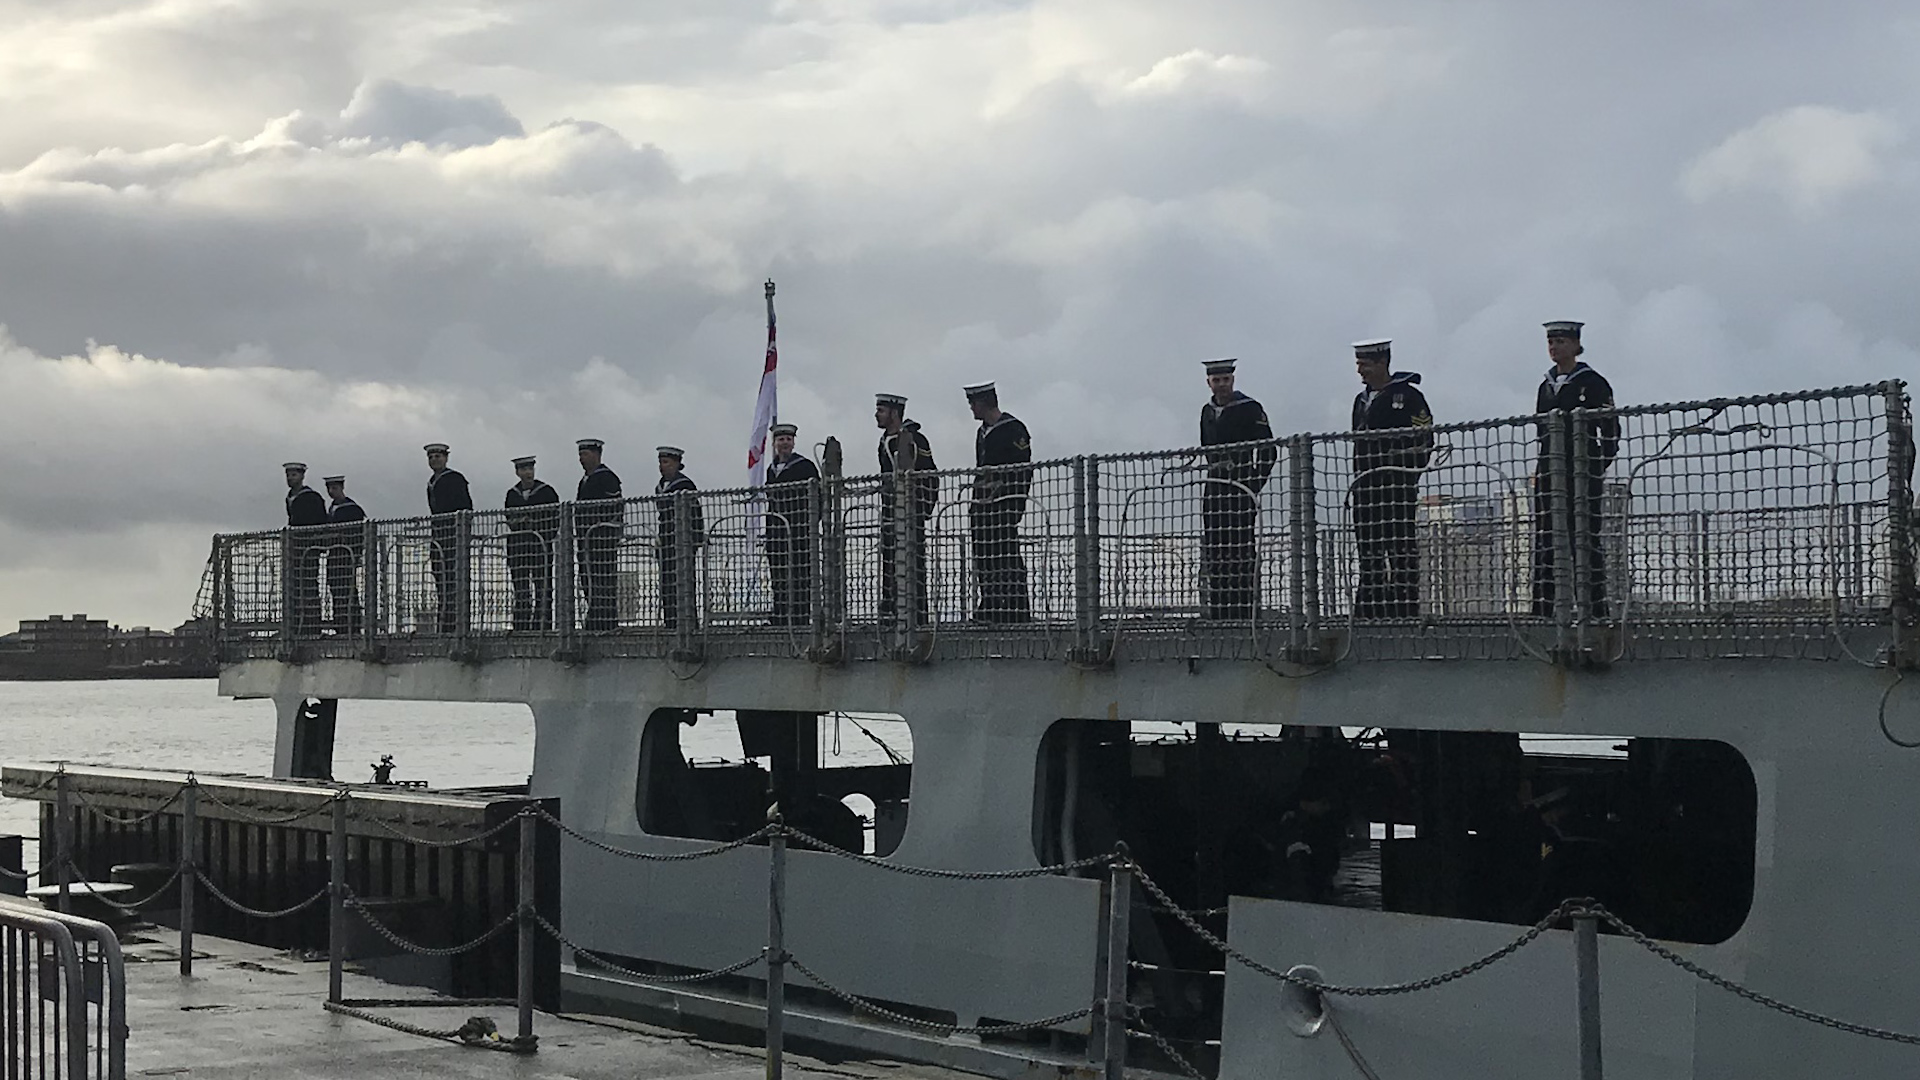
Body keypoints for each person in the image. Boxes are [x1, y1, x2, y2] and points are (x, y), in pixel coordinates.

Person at [1531, 321, 1620, 620]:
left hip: (1581, 471)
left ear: (1575, 344)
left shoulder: (1592, 383)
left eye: (1560, 342)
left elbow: (1610, 430)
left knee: (1584, 538)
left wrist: (1595, 466)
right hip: (1550, 471)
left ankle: (1594, 609)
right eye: (1551, 342)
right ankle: (1544, 610)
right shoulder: (1546, 385)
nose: (1554, 348)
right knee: (1546, 539)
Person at [1349, 340, 1434, 619]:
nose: (1360, 370)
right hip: (1366, 488)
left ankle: (1403, 611)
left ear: (1382, 363)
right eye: (1359, 364)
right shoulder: (1361, 401)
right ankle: (1370, 612)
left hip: (1396, 487)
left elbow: (1424, 439)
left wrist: (1403, 470)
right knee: (1369, 553)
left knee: (1400, 551)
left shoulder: (1408, 397)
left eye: (1365, 364)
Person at [1197, 359, 1277, 619]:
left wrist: (1252, 484)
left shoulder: (1250, 408)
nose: (1221, 385)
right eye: (1216, 380)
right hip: (1215, 488)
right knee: (1215, 550)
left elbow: (1267, 451)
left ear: (1232, 380)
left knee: (1240, 550)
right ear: (1208, 382)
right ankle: (1220, 612)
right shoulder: (1207, 412)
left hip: (1240, 486)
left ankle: (1243, 612)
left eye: (1226, 380)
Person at [966, 381, 1033, 623]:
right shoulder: (982, 432)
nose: (972, 408)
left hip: (1004, 505)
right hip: (983, 505)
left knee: (1006, 555)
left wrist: (1006, 494)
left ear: (984, 402)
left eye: (974, 403)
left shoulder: (1013, 429)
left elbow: (1022, 469)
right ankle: (991, 604)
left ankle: (1015, 608)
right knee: (984, 556)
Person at [875, 393, 938, 624]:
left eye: (881, 410)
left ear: (894, 413)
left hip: (911, 511)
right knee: (890, 560)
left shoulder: (914, 439)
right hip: (890, 512)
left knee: (912, 561)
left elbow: (929, 474)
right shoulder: (884, 440)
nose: (876, 415)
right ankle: (891, 608)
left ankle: (916, 613)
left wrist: (923, 508)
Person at [764, 423, 819, 627]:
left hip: (798, 531)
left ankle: (799, 617)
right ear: (775, 443)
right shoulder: (771, 470)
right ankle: (780, 614)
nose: (785, 443)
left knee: (800, 574)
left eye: (788, 439)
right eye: (781, 439)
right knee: (778, 573)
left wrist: (809, 523)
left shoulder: (805, 467)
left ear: (793, 442)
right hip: (776, 531)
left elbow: (818, 497)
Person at [504, 456, 559, 632]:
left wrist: (536, 527)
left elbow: (553, 520)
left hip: (539, 548)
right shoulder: (512, 494)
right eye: (524, 469)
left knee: (543, 588)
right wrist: (521, 522)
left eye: (530, 469)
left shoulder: (546, 492)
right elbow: (509, 518)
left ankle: (542, 626)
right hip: (518, 549)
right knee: (521, 590)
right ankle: (521, 625)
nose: (528, 473)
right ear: (517, 472)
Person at [574, 439, 624, 631]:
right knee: (588, 579)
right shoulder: (585, 480)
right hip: (585, 541)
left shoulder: (607, 478)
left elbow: (615, 509)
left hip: (601, 541)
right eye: (580, 455)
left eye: (585, 454)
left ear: (596, 455)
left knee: (603, 580)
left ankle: (605, 620)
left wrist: (603, 530)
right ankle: (595, 617)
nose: (581, 459)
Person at [422, 443, 472, 634]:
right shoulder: (432, 482)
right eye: (431, 457)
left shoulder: (454, 479)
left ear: (446, 458)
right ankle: (445, 623)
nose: (434, 460)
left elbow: (465, 506)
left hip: (452, 535)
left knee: (453, 580)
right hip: (438, 536)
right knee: (440, 578)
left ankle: (455, 624)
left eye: (438, 456)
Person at [654, 447, 704, 629]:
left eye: (666, 462)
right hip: (666, 540)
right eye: (660, 462)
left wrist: (695, 539)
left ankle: (686, 621)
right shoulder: (660, 486)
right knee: (667, 583)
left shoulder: (684, 485)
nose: (662, 466)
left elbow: (695, 513)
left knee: (683, 583)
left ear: (676, 463)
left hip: (682, 540)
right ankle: (671, 621)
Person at [283, 463, 328, 635]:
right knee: (296, 585)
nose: (290, 478)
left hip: (308, 547)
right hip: (296, 547)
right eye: (288, 475)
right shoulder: (290, 497)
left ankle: (311, 624)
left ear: (302, 476)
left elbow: (319, 521)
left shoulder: (311, 497)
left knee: (308, 584)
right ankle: (298, 623)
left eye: (294, 475)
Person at [323, 474, 367, 635]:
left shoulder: (351, 509)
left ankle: (350, 624)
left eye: (334, 488)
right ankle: (340, 624)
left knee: (346, 589)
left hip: (346, 555)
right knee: (336, 589)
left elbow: (357, 533)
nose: (331, 491)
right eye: (329, 488)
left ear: (341, 488)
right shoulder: (332, 508)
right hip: (334, 554)